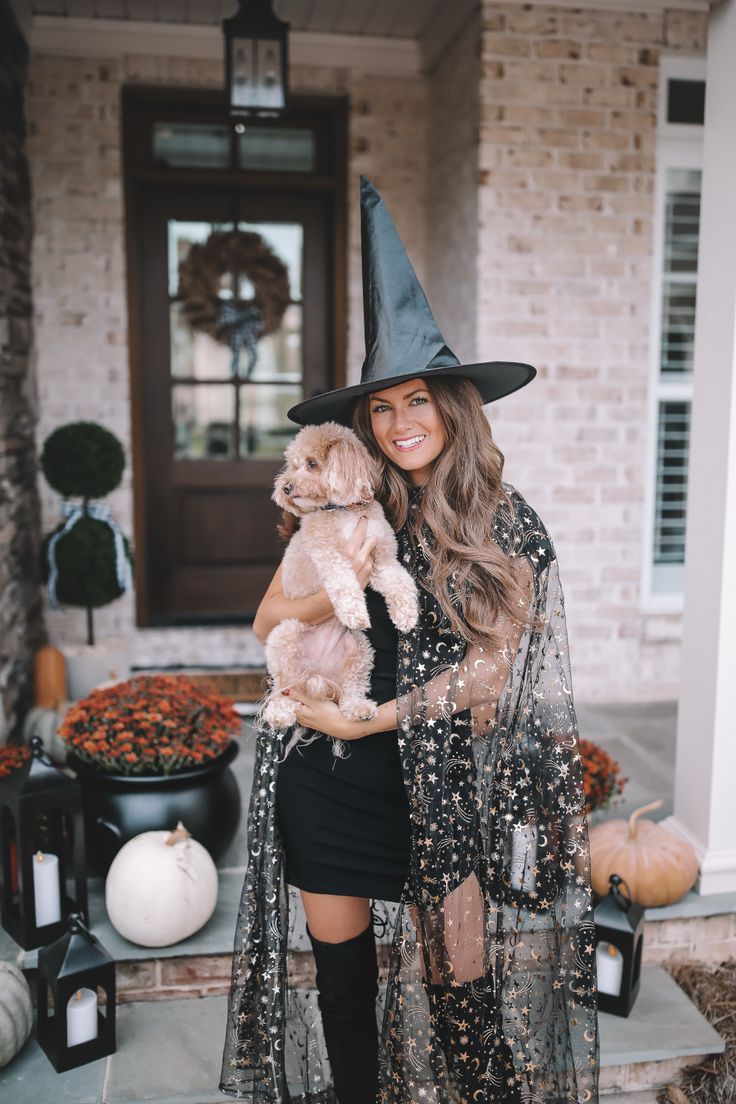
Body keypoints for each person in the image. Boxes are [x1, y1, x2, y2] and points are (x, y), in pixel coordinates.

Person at [220, 179, 600, 1104]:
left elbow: (489, 676)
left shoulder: (505, 521)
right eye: (381, 408)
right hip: (325, 775)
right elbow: (268, 623)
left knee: (461, 995)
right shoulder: (350, 499)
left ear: (454, 405)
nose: (399, 423)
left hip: (433, 785)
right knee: (345, 994)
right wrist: (328, 585)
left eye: (417, 400)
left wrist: (371, 721)